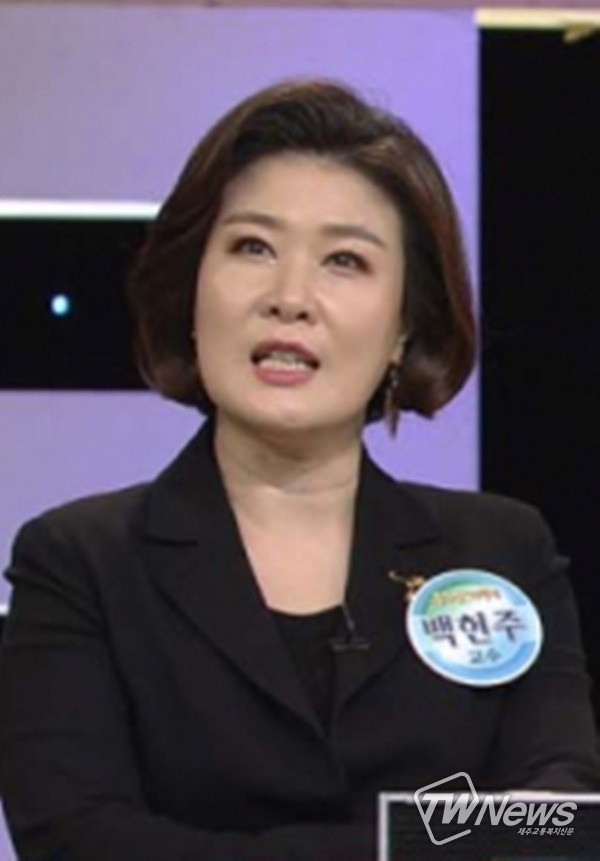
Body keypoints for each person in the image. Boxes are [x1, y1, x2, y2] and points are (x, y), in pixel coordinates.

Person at [0, 78, 597, 861]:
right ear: (192, 289)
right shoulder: (80, 563)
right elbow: (78, 838)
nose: (290, 298)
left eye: (345, 260)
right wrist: (413, 844)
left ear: (403, 327)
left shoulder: (500, 551)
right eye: (253, 247)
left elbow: (560, 821)